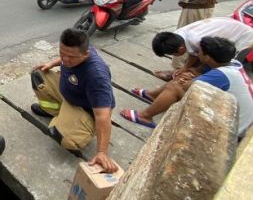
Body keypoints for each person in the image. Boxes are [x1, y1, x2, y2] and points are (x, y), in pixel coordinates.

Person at [122, 36, 253, 137]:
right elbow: (196, 78)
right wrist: (189, 77)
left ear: (207, 57)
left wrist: (187, 79)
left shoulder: (222, 74)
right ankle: (152, 95)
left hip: (229, 129)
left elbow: (186, 87)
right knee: (182, 78)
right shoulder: (232, 63)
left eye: (199, 52)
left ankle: (145, 116)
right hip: (233, 118)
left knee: (175, 87)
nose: (197, 53)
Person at [30, 28, 118, 173]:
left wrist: (102, 152)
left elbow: (103, 116)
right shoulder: (75, 52)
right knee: (38, 75)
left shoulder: (96, 77)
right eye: (61, 53)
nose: (65, 59)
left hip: (86, 110)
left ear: (86, 54)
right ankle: (55, 112)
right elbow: (65, 58)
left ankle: (69, 122)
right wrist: (52, 63)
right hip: (71, 94)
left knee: (63, 137)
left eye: (70, 56)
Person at [151, 17, 253, 79]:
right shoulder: (177, 35)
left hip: (245, 38)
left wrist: (196, 72)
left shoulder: (197, 40)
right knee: (195, 65)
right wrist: (186, 68)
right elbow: (193, 52)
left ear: (181, 49)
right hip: (227, 29)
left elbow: (208, 59)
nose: (173, 56)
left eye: (173, 54)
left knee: (227, 66)